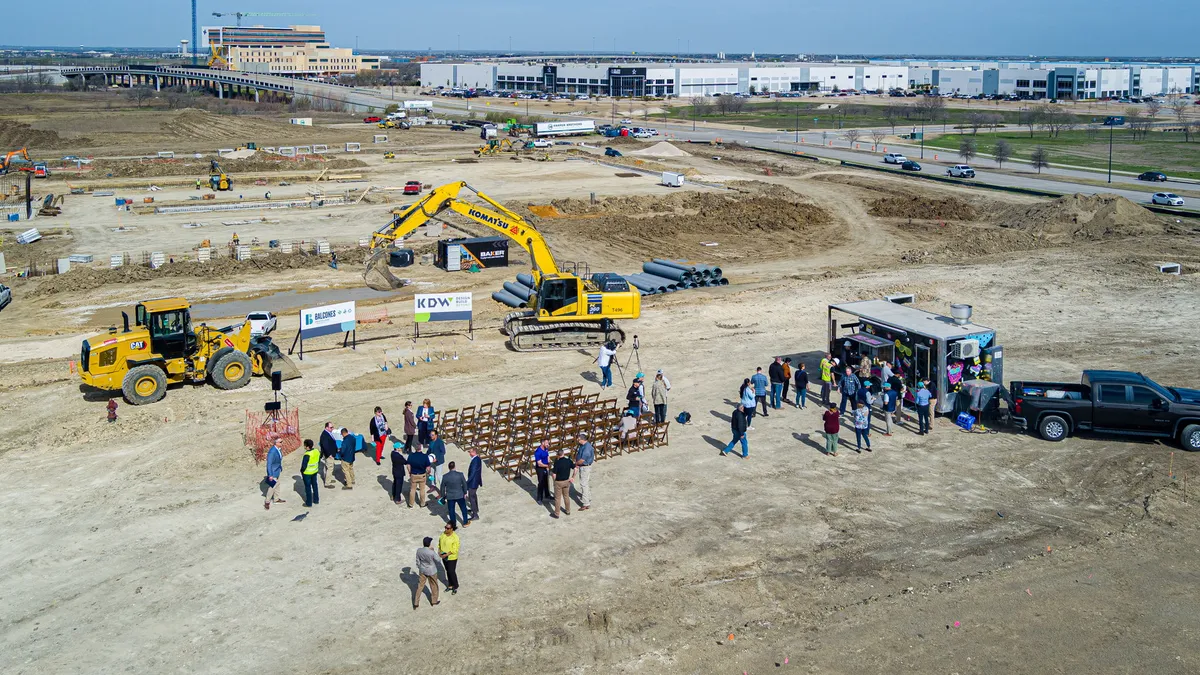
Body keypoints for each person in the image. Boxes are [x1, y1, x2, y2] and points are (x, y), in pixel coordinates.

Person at [441, 461, 470, 527]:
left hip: (450, 496)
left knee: (451, 511)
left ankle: (453, 524)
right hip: (459, 494)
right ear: (454, 467)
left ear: (449, 468)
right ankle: (465, 522)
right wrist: (465, 492)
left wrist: (443, 496)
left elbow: (442, 487)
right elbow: (465, 484)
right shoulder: (460, 474)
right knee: (463, 509)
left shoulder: (445, 476)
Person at [414, 537, 440, 609]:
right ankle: (434, 601)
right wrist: (433, 551)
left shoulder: (419, 550)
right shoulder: (431, 552)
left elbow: (417, 561)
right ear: (429, 544)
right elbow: (438, 560)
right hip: (431, 570)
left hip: (422, 570)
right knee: (434, 585)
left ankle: (416, 602)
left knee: (420, 586)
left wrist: (420, 567)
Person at [406, 440, 431, 508]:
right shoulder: (425, 456)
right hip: (422, 475)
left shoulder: (411, 456)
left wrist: (410, 472)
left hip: (413, 474)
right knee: (422, 490)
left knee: (412, 490)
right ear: (421, 448)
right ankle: (422, 503)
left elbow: (408, 465)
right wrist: (428, 472)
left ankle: (411, 504)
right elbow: (428, 468)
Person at [574, 434, 595, 511]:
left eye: (578, 439)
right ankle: (588, 498)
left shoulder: (586, 448)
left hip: (585, 467)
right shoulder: (583, 445)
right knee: (586, 483)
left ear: (582, 439)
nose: (577, 441)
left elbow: (582, 460)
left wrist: (576, 464)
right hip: (584, 467)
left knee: (583, 484)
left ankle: (586, 503)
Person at [551, 449, 574, 518]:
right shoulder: (568, 461)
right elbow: (575, 467)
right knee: (566, 496)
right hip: (566, 481)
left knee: (558, 498)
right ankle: (568, 510)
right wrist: (573, 477)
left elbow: (554, 474)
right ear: (563, 453)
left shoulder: (557, 463)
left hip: (558, 482)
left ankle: (557, 513)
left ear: (558, 455)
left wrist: (554, 481)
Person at [438, 523, 461, 594]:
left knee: (451, 571)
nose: (445, 529)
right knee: (447, 570)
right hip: (444, 556)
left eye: (447, 528)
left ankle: (455, 585)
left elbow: (455, 549)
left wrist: (447, 554)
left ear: (452, 529)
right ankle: (450, 585)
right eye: (445, 527)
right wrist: (439, 551)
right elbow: (440, 543)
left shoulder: (455, 537)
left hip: (452, 557)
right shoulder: (443, 534)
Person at [264, 440, 285, 510]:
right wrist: (270, 475)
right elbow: (269, 464)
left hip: (277, 470)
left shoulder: (278, 449)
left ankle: (276, 499)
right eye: (280, 442)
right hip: (273, 472)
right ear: (276, 443)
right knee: (272, 487)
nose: (282, 443)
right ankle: (267, 502)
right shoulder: (272, 452)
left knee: (278, 484)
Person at [319, 422, 340, 489]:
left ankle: (328, 479)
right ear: (326, 428)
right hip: (329, 454)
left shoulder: (328, 433)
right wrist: (329, 454)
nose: (332, 428)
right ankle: (327, 483)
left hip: (331, 453)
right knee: (330, 468)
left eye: (332, 427)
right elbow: (325, 446)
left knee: (328, 467)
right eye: (331, 427)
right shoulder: (324, 435)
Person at [300, 439, 321, 506]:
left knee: (308, 488)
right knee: (315, 485)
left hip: (307, 473)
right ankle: (316, 500)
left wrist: (302, 471)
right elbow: (318, 460)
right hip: (314, 471)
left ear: (307, 446)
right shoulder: (316, 451)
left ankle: (309, 503)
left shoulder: (307, 454)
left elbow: (304, 466)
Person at [427, 429, 447, 500]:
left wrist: (437, 458)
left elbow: (443, 452)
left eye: (432, 435)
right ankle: (433, 485)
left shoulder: (440, 442)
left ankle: (443, 492)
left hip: (438, 462)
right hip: (432, 461)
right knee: (431, 474)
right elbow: (429, 450)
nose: (431, 436)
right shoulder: (431, 441)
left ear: (436, 435)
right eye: (430, 435)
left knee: (439, 476)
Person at [466, 447, 483, 521]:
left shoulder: (475, 461)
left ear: (474, 452)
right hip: (475, 481)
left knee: (471, 497)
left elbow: (472, 473)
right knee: (474, 496)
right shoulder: (477, 459)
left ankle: (475, 514)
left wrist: (467, 482)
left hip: (473, 481)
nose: (469, 453)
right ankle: (476, 509)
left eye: (470, 452)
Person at [533, 439, 552, 504]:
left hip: (546, 467)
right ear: (542, 443)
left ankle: (547, 495)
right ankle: (539, 498)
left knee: (546, 481)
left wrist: (549, 462)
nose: (548, 444)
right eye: (547, 443)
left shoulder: (546, 449)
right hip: (540, 468)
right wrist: (547, 466)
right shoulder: (538, 452)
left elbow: (548, 456)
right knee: (541, 483)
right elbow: (539, 463)